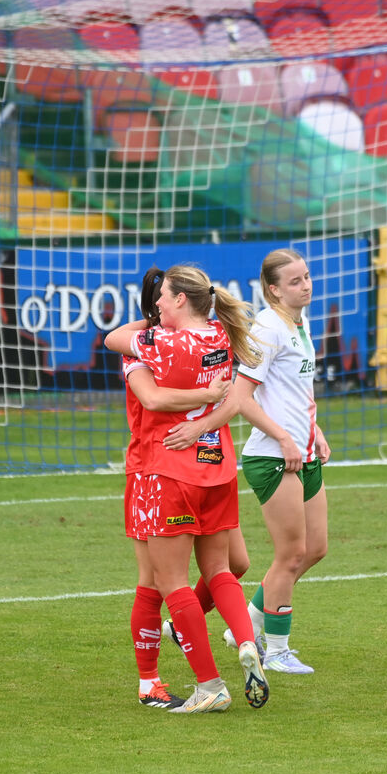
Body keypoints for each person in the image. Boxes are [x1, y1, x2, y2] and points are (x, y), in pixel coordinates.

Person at [106, 264, 268, 714]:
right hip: (216, 466)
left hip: (160, 470)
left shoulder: (153, 345)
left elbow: (149, 392)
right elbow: (225, 392)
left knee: (159, 583)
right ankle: (246, 643)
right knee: (222, 570)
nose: (159, 303)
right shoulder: (219, 335)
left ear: (178, 300)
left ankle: (191, 683)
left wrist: (149, 323)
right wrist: (208, 399)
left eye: (165, 296)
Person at [120, 267, 234, 710]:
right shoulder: (146, 347)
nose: (165, 305)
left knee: (223, 566)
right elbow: (152, 400)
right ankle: (151, 681)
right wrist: (209, 397)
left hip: (191, 469)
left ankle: (198, 667)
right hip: (152, 469)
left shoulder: (192, 338)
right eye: (159, 300)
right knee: (154, 581)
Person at [227, 248, 331, 675]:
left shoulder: (300, 324)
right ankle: (277, 650)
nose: (305, 285)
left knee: (315, 549)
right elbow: (239, 399)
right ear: (273, 289)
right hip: (274, 457)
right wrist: (286, 438)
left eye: (306, 277)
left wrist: (314, 431)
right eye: (294, 281)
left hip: (301, 452)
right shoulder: (268, 328)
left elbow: (294, 392)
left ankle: (246, 623)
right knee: (289, 554)